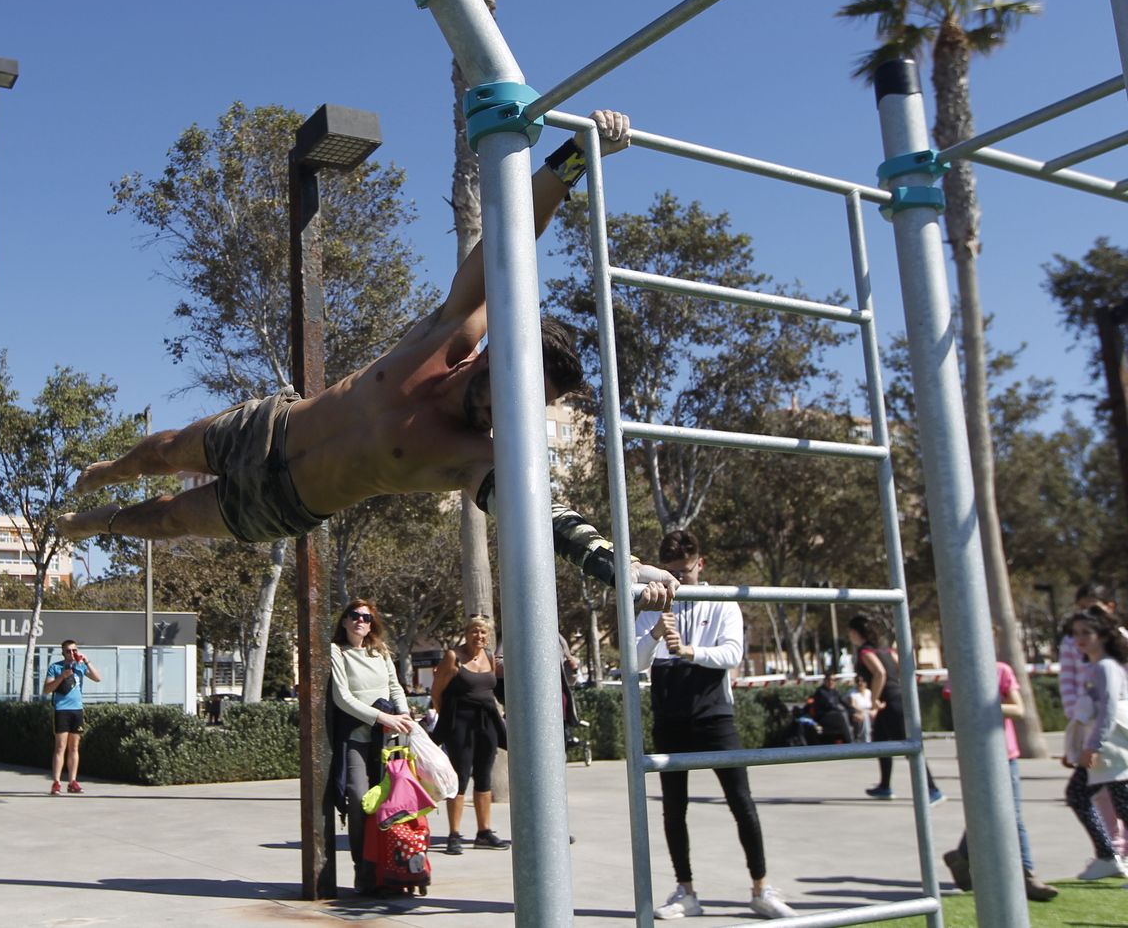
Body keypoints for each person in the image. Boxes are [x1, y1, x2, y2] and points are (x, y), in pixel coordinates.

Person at [56, 113, 679, 609]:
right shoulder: (448, 331)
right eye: (511, 390)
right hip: (266, 429)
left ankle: (100, 522)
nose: (504, 412)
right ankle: (113, 469)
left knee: (169, 522)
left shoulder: (478, 457)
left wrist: (622, 566)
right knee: (162, 451)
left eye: (528, 408)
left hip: (284, 503)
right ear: (496, 355)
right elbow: (511, 240)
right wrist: (573, 158)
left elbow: (550, 515)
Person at [634, 531, 797, 920]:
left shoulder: (720, 599)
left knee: (741, 802)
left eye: (684, 572)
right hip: (669, 716)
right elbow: (636, 660)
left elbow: (732, 653)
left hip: (714, 715)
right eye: (669, 573)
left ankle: (761, 888)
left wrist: (689, 651)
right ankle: (685, 892)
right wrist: (656, 634)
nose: (676, 580)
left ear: (700, 564)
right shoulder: (651, 604)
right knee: (674, 810)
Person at [939, 653, 1058, 901]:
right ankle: (961, 857)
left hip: (1006, 755)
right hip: (975, 756)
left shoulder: (1002, 670)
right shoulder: (958, 671)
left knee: (1012, 815)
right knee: (986, 813)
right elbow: (958, 705)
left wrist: (988, 703)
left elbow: (1018, 708)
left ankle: (1026, 873)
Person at [328, 599, 413, 895]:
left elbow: (394, 687)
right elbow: (342, 697)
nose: (360, 621)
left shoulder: (380, 652)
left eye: (366, 617)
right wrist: (383, 717)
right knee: (359, 799)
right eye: (354, 615)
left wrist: (403, 717)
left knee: (391, 803)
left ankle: (391, 870)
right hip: (355, 738)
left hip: (388, 740)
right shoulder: (337, 652)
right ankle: (363, 871)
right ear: (344, 620)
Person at [430, 615, 509, 856]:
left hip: (486, 723)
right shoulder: (453, 657)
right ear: (466, 633)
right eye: (475, 631)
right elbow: (437, 692)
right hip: (459, 724)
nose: (479, 636)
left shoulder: (489, 658)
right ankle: (454, 834)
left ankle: (483, 832)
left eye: (483, 633)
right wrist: (448, 718)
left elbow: (492, 688)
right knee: (460, 776)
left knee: (483, 776)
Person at [1060, 607, 1128, 881]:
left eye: (1086, 633)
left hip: (1112, 750)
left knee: (1118, 805)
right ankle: (1106, 856)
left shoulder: (1105, 667)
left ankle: (1107, 856)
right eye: (1076, 634)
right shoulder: (1096, 667)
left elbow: (1108, 709)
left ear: (1102, 635)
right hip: (1105, 750)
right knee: (1080, 795)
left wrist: (1093, 746)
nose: (1080, 639)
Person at [847, 615, 941, 804]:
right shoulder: (887, 650)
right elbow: (903, 669)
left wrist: (874, 700)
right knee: (881, 743)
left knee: (909, 747)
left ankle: (932, 790)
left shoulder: (865, 652)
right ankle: (884, 786)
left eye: (850, 632)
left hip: (889, 703)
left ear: (856, 632)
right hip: (894, 700)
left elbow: (879, 673)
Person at [42, 639, 101, 795]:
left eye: (74, 650)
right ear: (63, 652)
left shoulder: (80, 667)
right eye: (68, 651)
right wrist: (62, 676)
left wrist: (86, 661)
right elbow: (46, 690)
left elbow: (97, 678)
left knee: (74, 747)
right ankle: (56, 782)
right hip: (62, 710)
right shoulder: (55, 667)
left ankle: (72, 781)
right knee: (60, 747)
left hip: (77, 710)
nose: (71, 653)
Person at [846, 674, 873, 743]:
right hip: (858, 714)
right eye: (858, 681)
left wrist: (875, 710)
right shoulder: (852, 692)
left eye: (862, 681)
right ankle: (867, 740)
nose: (860, 683)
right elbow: (853, 704)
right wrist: (865, 711)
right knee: (865, 716)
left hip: (871, 713)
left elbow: (875, 703)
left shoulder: (869, 692)